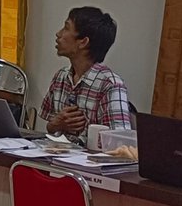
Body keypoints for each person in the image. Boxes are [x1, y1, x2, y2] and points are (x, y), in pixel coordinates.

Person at [40, 7, 133, 136]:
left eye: (66, 28)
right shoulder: (60, 77)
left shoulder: (111, 85)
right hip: (56, 148)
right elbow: (50, 128)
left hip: (88, 150)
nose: (58, 34)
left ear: (83, 42)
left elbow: (119, 140)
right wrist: (56, 124)